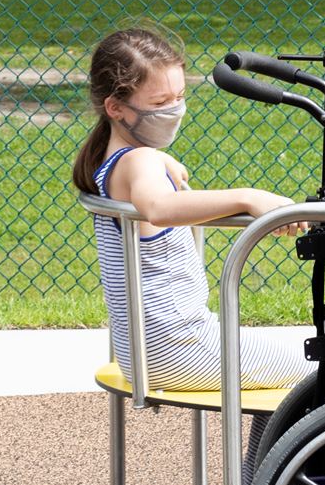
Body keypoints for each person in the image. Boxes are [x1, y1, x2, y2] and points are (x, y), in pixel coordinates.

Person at [73, 27, 310, 393]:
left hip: (142, 348)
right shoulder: (140, 162)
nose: (173, 110)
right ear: (115, 107)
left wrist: (156, 158)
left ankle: (261, 455)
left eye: (179, 97)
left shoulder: (114, 158)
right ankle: (272, 454)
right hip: (178, 346)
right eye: (158, 104)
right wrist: (248, 197)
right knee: (318, 374)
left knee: (286, 378)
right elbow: (159, 208)